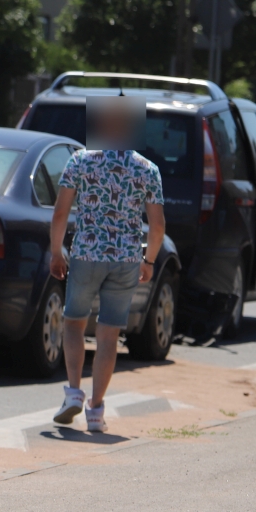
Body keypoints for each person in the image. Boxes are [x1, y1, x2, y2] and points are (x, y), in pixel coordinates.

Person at [48, 97, 164, 432]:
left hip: (86, 254)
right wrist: (149, 260)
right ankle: (96, 411)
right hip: (126, 260)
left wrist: (57, 252)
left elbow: (60, 213)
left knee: (74, 324)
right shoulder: (147, 169)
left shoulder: (80, 162)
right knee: (109, 336)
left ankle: (73, 392)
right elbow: (157, 226)